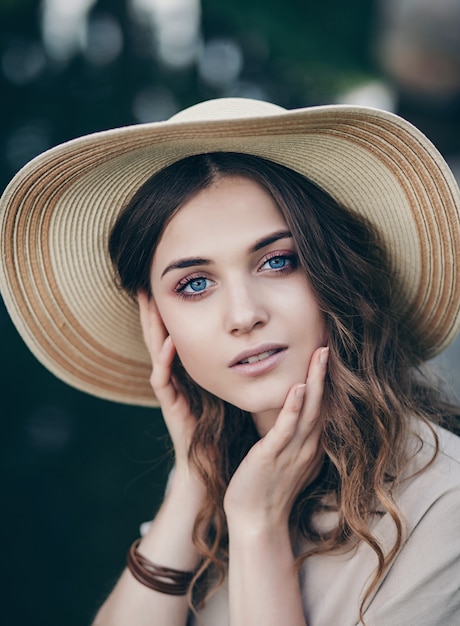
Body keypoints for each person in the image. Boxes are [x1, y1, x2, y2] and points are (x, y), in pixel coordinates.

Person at [0, 98, 459, 626]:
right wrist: (196, 475)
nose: (243, 315)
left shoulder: (443, 508)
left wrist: (257, 528)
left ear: (337, 275)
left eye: (278, 261)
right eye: (194, 284)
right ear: (158, 321)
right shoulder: (217, 470)